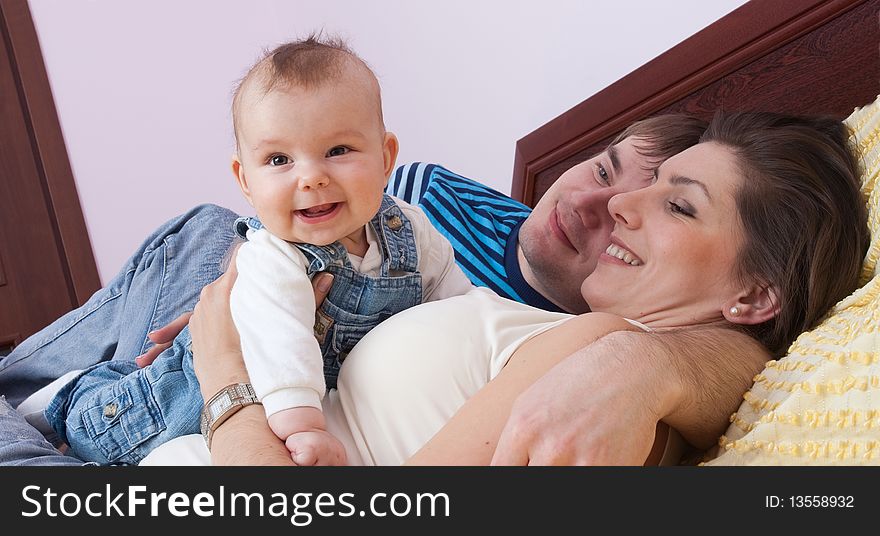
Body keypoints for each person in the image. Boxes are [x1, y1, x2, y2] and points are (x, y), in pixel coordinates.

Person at [0, 106, 750, 466]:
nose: (596, 204)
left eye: (668, 205)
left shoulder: (570, 336)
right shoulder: (434, 198)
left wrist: (225, 360)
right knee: (212, 234)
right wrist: (244, 290)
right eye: (603, 168)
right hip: (261, 297)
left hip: (267, 395)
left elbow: (719, 352)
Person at [167, 110, 867, 466]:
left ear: (753, 297)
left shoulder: (605, 361)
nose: (622, 206)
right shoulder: (591, 351)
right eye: (635, 180)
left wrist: (224, 375)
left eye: (678, 205)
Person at [35, 37, 474, 466]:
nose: (311, 177)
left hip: (289, 395)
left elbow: (458, 305)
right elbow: (282, 344)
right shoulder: (274, 255)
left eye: (337, 151)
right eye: (280, 160)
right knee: (104, 440)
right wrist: (304, 427)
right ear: (245, 181)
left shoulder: (408, 229)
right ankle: (67, 397)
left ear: (386, 157)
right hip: (183, 397)